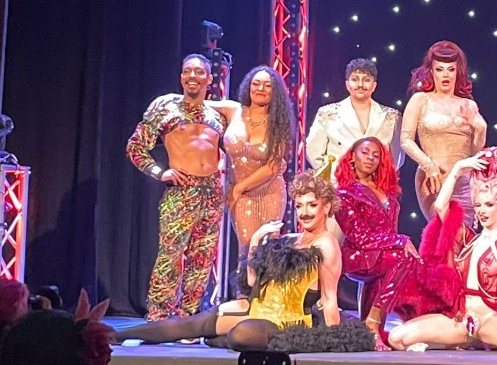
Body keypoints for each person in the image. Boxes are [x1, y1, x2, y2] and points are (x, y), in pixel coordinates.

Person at [114, 172, 342, 349]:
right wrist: (255, 240)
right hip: (256, 310)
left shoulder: (326, 244)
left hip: (288, 323)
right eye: (300, 205)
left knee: (242, 334)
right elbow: (253, 283)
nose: (305, 213)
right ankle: (115, 335)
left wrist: (334, 342)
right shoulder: (290, 239)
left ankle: (219, 339)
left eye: (312, 205)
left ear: (327, 206)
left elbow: (329, 298)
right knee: (191, 324)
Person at [388, 148, 497, 353]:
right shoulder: (469, 240)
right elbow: (440, 207)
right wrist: (458, 169)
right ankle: (457, 342)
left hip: (491, 321)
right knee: (397, 338)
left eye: (489, 204)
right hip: (461, 320)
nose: (482, 211)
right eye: (478, 205)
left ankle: (481, 341)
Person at [125, 53, 225, 319]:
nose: (193, 76)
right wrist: (160, 172)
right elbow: (135, 147)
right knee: (170, 255)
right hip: (181, 192)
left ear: (209, 78)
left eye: (199, 72)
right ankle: (158, 315)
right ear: (181, 77)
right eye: (187, 71)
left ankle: (189, 317)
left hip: (212, 193)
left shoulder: (216, 116)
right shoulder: (166, 111)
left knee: (202, 259)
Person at [207, 65, 296, 284]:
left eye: (267, 85)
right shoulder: (233, 110)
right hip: (241, 196)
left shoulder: (279, 121)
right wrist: (171, 97)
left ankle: (266, 301)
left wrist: (239, 187)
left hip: (269, 192)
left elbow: (274, 166)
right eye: (256, 83)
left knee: (267, 246)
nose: (261, 89)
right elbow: (197, 101)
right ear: (248, 86)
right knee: (245, 246)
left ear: (275, 91)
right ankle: (244, 299)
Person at [333, 137, 421, 349]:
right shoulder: (344, 193)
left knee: (410, 261)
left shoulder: (389, 193)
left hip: (383, 254)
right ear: (352, 157)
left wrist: (395, 242)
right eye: (365, 153)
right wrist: (400, 240)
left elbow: (389, 229)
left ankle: (371, 327)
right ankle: (372, 322)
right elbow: (360, 237)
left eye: (376, 155)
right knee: (403, 256)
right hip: (358, 255)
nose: (371, 158)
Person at [400, 41, 487, 218]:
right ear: (431, 72)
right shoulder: (421, 99)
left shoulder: (468, 104)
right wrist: (428, 165)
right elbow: (405, 140)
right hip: (434, 179)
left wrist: (481, 129)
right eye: (440, 69)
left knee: (466, 238)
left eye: (451, 69)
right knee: (443, 233)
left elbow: (474, 153)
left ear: (458, 71)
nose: (445, 75)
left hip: (466, 183)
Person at [305, 58, 403, 180]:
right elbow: (313, 151)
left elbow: (397, 157)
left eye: (366, 80)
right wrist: (333, 177)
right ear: (347, 84)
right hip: (338, 187)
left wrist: (381, 178)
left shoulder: (392, 117)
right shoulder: (328, 114)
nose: (360, 85)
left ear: (374, 85)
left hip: (376, 187)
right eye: (355, 79)